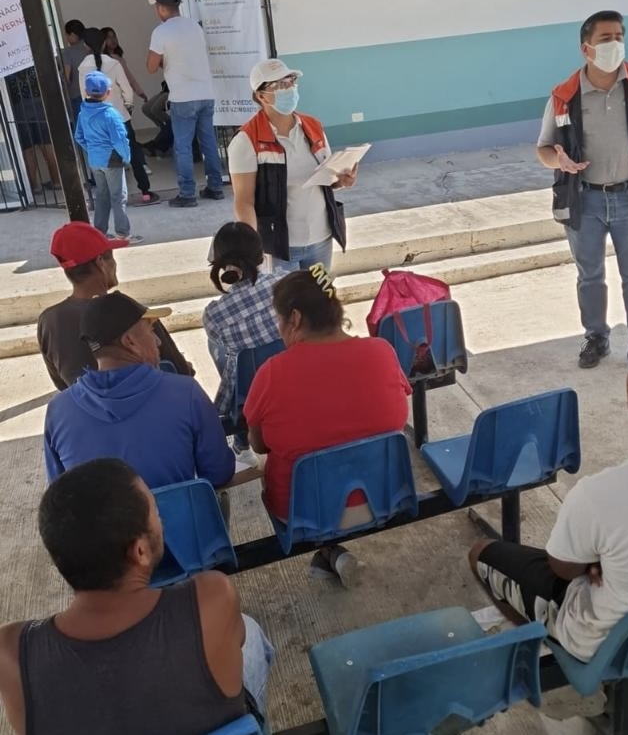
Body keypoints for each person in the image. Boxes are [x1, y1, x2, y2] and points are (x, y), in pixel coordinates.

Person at [468, 313, 628, 665]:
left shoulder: (600, 496)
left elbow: (562, 569)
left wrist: (595, 561)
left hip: (609, 652)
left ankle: (550, 648)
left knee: (480, 552)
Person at [0, 458, 273, 735]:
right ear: (140, 551)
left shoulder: (11, 653)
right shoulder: (211, 597)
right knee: (249, 632)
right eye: (155, 510)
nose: (160, 520)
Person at [536, 9, 628, 369]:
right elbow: (544, 149)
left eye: (619, 37)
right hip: (584, 199)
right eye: (605, 38)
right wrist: (559, 161)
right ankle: (596, 336)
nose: (615, 44)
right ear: (586, 48)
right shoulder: (564, 95)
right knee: (590, 275)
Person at [244, 267, 410, 586]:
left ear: (294, 319)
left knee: (288, 464)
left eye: (279, 319)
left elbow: (258, 445)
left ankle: (330, 552)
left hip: (304, 514)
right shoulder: (382, 352)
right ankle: (330, 554)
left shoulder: (272, 373)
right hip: (382, 498)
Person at [43, 291, 256, 492]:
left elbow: (61, 492)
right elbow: (219, 473)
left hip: (102, 521)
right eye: (151, 330)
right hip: (182, 520)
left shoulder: (58, 411)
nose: (158, 341)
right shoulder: (185, 393)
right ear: (130, 342)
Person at [228, 58, 356, 272]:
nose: (288, 88)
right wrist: (253, 245)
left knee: (317, 294)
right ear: (261, 96)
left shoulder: (313, 126)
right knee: (285, 296)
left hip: (320, 238)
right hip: (279, 247)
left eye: (291, 81)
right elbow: (244, 202)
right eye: (279, 85)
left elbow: (326, 178)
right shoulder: (246, 141)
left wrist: (340, 180)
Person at [37, 221, 193, 391]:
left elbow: (62, 385)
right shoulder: (125, 310)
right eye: (111, 257)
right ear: (100, 262)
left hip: (85, 406)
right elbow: (182, 371)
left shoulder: (49, 321)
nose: (115, 265)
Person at [203, 222, 280, 463]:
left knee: (222, 348)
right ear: (261, 256)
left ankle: (241, 442)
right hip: (292, 378)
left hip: (250, 393)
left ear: (219, 262)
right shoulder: (285, 285)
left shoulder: (213, 315)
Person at [146, 0, 224, 207]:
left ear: (161, 8)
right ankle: (216, 187)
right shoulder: (194, 27)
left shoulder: (161, 32)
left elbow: (151, 66)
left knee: (182, 146)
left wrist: (164, 60)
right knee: (209, 142)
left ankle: (188, 193)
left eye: (156, 7)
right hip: (206, 94)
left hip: (183, 97)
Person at [81, 27, 159, 205]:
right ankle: (145, 192)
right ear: (104, 44)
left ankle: (113, 197)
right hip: (120, 117)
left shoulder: (83, 68)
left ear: (85, 46)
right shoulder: (114, 63)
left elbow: (84, 95)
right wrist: (128, 107)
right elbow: (127, 90)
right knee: (133, 153)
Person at [74, 71, 141, 244]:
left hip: (95, 161)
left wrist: (92, 150)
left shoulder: (82, 113)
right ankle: (122, 234)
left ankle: (99, 234)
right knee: (118, 197)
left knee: (102, 196)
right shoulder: (111, 114)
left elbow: (79, 137)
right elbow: (120, 140)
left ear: (86, 92)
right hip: (112, 160)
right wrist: (127, 157)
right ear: (108, 92)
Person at [5, 67, 62, 196]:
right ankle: (57, 182)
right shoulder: (31, 64)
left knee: (28, 150)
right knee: (47, 146)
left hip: (18, 109)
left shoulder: (8, 67)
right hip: (40, 106)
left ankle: (34, 187)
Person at [61, 18, 89, 122]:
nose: (67, 38)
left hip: (78, 95)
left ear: (72, 35)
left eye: (67, 35)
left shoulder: (68, 52)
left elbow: (67, 76)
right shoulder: (89, 48)